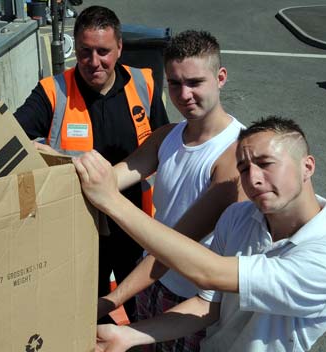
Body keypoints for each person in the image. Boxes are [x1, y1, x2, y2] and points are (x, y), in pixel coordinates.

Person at [73, 116, 326, 351]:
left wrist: (111, 200)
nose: (254, 178)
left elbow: (210, 273)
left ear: (307, 166)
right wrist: (127, 335)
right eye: (244, 169)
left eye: (266, 163)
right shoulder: (239, 217)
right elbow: (207, 305)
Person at [14, 5, 169, 323]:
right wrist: (55, 155)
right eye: (85, 51)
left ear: (120, 48)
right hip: (80, 225)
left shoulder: (145, 86)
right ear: (75, 48)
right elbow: (14, 138)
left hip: (135, 223)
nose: (94, 62)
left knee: (142, 309)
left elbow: (165, 147)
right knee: (86, 310)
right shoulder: (53, 91)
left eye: (103, 51)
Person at [97, 30, 246, 352]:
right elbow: (112, 178)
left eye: (195, 82)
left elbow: (175, 245)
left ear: (220, 78)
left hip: (196, 300)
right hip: (154, 282)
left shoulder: (235, 155)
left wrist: (111, 301)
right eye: (175, 84)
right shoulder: (167, 135)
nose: (184, 94)